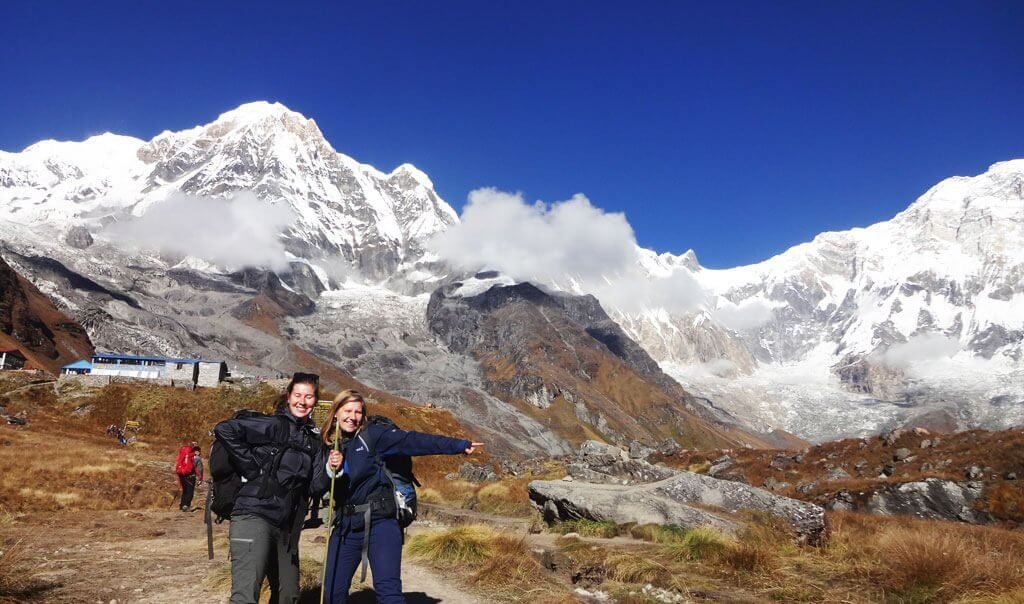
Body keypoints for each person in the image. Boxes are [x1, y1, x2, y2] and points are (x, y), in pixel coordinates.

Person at [321, 390, 483, 604]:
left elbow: (413, 441)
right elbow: (316, 483)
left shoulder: (374, 436)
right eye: (348, 410)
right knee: (332, 592)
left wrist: (458, 445)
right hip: (346, 526)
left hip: (381, 522)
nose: (353, 416)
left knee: (389, 594)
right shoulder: (327, 444)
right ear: (335, 413)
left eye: (358, 411)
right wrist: (332, 469)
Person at [214, 372, 331, 604]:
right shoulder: (272, 425)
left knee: (289, 594)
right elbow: (225, 429)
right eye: (298, 395)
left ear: (315, 401)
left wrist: (330, 468)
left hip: (287, 526)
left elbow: (316, 487)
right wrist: (251, 469)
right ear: (288, 397)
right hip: (253, 514)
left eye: (308, 397)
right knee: (246, 595)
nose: (302, 401)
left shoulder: (314, 441)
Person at [176, 442, 204, 512]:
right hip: (190, 476)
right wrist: (200, 478)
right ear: (197, 450)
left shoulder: (184, 455)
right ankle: (186, 506)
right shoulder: (197, 458)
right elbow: (199, 469)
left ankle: (182, 505)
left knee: (185, 491)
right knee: (189, 492)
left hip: (182, 475)